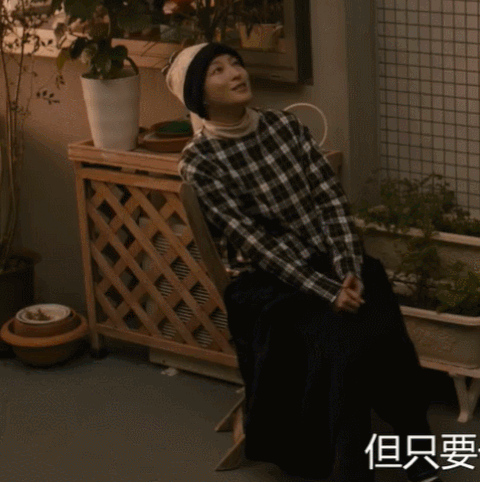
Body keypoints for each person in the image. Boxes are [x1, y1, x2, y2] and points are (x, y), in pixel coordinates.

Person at [166, 42, 442, 482]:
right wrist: (326, 290)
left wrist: (347, 268)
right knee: (346, 345)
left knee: (383, 327)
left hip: (329, 262)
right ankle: (355, 466)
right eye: (217, 70)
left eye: (235, 63)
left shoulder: (285, 127)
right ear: (198, 95)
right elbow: (255, 244)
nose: (236, 73)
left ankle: (413, 442)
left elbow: (331, 200)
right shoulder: (200, 161)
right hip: (267, 284)